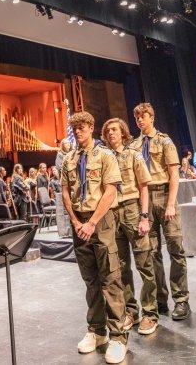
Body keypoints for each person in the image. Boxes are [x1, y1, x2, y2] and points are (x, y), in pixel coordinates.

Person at [60, 111, 128, 364]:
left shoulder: (105, 155)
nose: (78, 131)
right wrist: (77, 221)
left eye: (82, 127)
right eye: (74, 128)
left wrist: (91, 222)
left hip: (101, 221)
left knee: (110, 278)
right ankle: (97, 330)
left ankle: (118, 336)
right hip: (80, 223)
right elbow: (65, 192)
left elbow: (110, 192)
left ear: (91, 128)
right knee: (90, 280)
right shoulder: (68, 159)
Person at [130, 102, 190, 320]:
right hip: (145, 198)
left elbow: (174, 175)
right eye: (137, 118)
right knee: (152, 252)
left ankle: (181, 299)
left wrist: (171, 204)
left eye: (143, 117)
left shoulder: (165, 141)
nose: (139, 121)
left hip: (165, 195)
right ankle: (160, 299)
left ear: (152, 117)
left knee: (175, 248)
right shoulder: (134, 146)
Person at [101, 117, 158, 336]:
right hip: (112, 212)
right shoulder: (104, 158)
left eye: (114, 129)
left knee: (144, 262)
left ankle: (150, 313)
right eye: (107, 131)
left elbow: (144, 188)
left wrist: (144, 217)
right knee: (121, 265)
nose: (110, 133)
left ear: (123, 133)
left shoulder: (133, 155)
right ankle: (131, 311)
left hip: (133, 209)